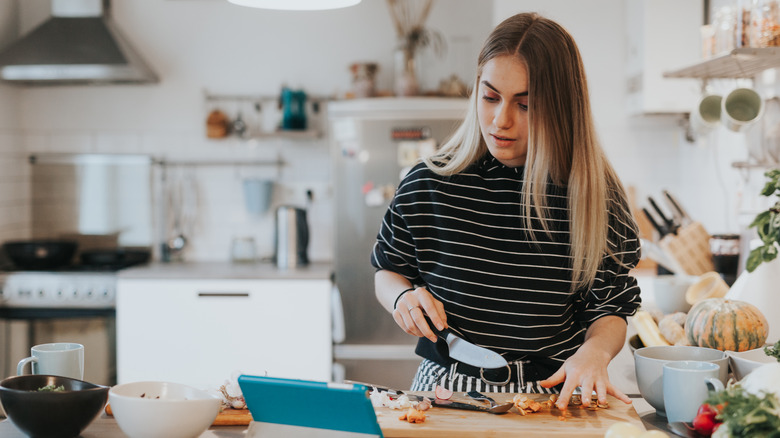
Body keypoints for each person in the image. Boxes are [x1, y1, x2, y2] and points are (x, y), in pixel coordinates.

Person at [370, 12, 641, 411]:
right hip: (446, 388)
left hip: (553, 393)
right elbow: (388, 270)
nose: (501, 120)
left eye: (526, 104)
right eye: (490, 96)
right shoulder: (430, 182)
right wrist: (401, 298)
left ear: (562, 108)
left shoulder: (595, 197)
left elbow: (610, 308)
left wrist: (596, 353)